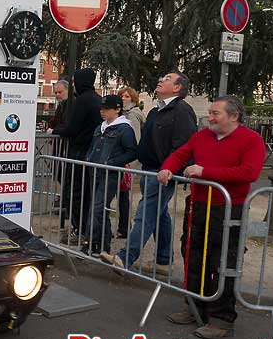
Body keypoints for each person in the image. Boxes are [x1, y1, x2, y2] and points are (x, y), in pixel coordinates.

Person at [157, 96, 265, 339]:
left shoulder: (251, 140)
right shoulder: (202, 137)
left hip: (228, 208)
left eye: (216, 113)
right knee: (193, 254)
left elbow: (249, 172)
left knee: (223, 261)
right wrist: (166, 167)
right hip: (198, 204)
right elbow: (181, 154)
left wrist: (206, 172)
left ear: (234, 116)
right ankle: (195, 306)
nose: (210, 117)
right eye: (210, 112)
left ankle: (222, 318)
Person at [101, 71, 197, 273]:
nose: (160, 80)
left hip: (163, 173)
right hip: (149, 170)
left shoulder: (182, 111)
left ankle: (125, 258)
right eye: (162, 77)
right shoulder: (155, 110)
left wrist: (169, 168)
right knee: (159, 215)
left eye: (167, 79)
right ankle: (163, 260)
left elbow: (184, 145)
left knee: (145, 213)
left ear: (178, 88)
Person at [83, 95, 137, 255]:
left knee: (98, 207)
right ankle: (102, 245)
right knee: (100, 208)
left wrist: (112, 162)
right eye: (102, 108)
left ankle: (91, 242)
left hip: (110, 173)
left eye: (106, 109)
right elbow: (93, 146)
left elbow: (132, 152)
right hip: (95, 170)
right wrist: (89, 158)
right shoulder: (101, 127)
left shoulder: (124, 128)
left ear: (117, 109)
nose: (102, 111)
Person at [53, 69, 102, 243]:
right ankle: (88, 231)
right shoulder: (97, 99)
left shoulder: (81, 101)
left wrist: (55, 131)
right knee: (88, 194)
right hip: (92, 153)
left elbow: (71, 129)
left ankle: (79, 230)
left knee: (73, 192)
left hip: (79, 152)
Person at [116, 87, 146, 238]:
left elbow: (134, 139)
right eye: (122, 96)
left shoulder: (132, 116)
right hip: (126, 158)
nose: (123, 99)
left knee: (123, 194)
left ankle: (124, 226)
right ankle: (124, 225)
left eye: (127, 96)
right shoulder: (126, 114)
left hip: (127, 159)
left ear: (133, 99)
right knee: (122, 194)